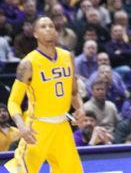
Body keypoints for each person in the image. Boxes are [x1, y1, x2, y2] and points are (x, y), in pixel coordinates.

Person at [5, 16, 85, 173]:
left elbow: (73, 92)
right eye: (43, 26)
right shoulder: (28, 63)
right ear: (35, 34)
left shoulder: (67, 56)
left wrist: (80, 108)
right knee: (23, 171)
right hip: (37, 127)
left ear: (56, 32)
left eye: (51, 26)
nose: (48, 29)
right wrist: (21, 125)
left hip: (62, 127)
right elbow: (13, 101)